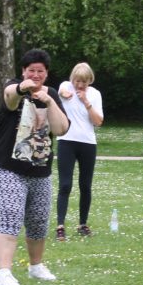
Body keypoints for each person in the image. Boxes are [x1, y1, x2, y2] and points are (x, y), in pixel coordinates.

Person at [0, 49, 70, 285]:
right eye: (31, 70)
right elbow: (9, 97)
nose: (35, 75)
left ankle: (36, 266)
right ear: (23, 71)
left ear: (46, 73)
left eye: (40, 71)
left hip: (39, 169)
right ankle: (4, 272)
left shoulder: (51, 94)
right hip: (6, 167)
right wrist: (24, 88)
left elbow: (62, 129)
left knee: (38, 221)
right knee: (10, 215)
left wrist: (49, 101)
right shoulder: (14, 87)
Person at [54, 62, 103, 241]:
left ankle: (83, 224)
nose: (79, 85)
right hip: (66, 141)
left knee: (85, 185)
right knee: (65, 185)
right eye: (76, 80)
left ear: (90, 80)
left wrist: (86, 102)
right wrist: (65, 93)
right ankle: (60, 225)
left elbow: (98, 122)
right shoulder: (66, 86)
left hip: (87, 143)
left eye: (83, 81)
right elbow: (61, 91)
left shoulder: (95, 94)